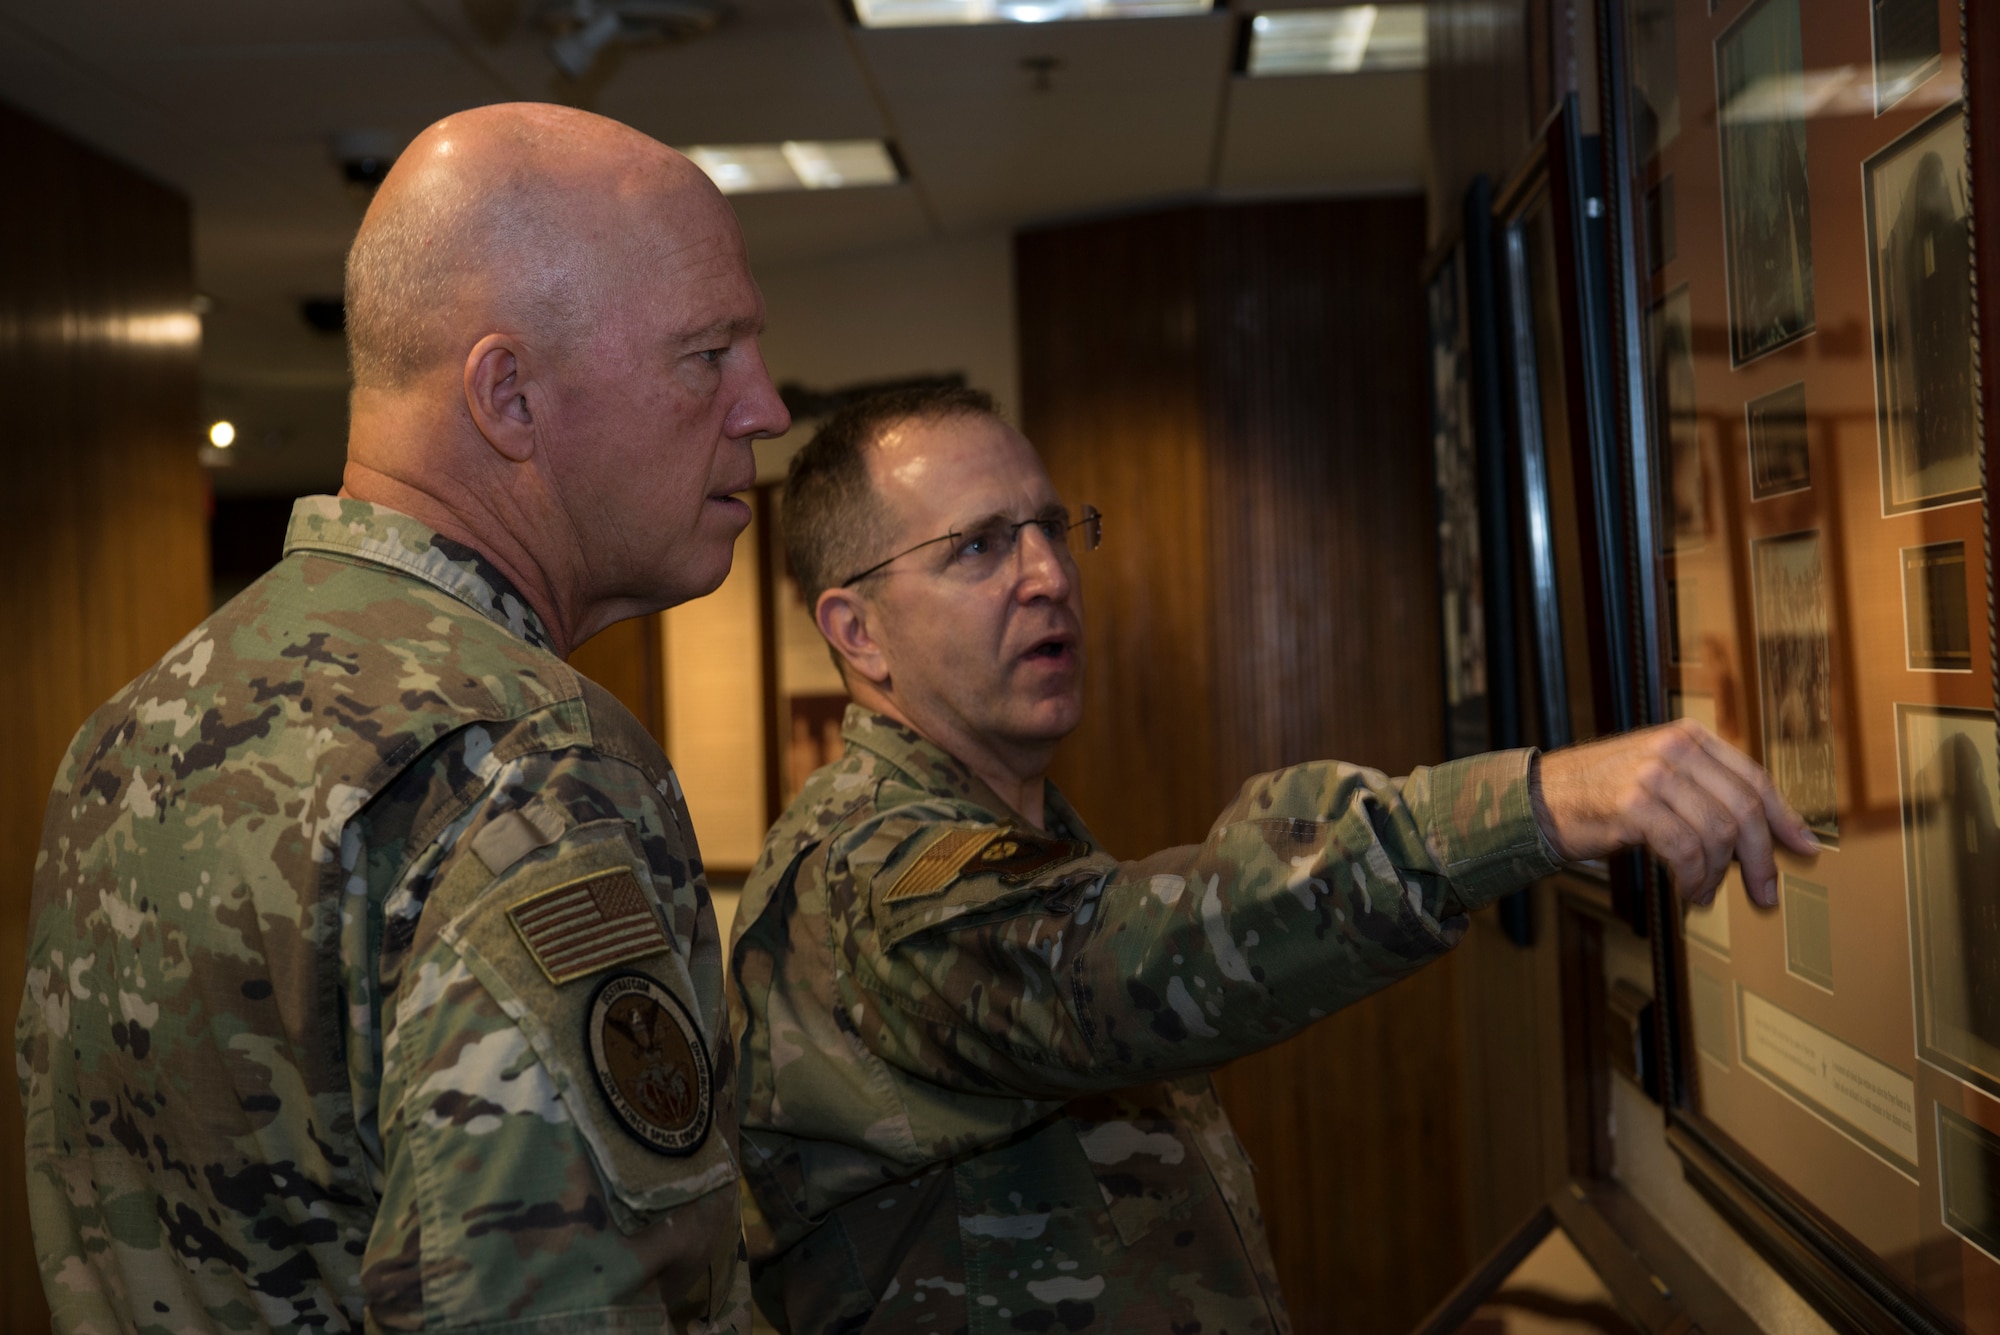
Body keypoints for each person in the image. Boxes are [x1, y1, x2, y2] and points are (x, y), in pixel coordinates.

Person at [729, 385, 1819, 1334]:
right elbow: (1121, 965)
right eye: (977, 547)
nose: (1047, 573)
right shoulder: (862, 870)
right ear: (856, 632)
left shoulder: (1018, 834)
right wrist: (1531, 802)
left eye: (1052, 529)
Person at [15, 103, 788, 1334]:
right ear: (509, 397)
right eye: (710, 353)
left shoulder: (130, 729)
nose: (765, 407)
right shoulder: (528, 764)